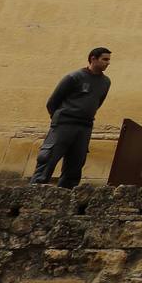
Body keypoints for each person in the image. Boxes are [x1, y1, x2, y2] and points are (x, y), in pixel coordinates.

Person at [30, 47, 112, 188]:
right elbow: (53, 102)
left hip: (85, 126)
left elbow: (97, 102)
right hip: (64, 124)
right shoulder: (74, 77)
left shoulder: (106, 82)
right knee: (48, 159)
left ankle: (65, 197)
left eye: (109, 60)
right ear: (93, 59)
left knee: (76, 163)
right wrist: (61, 117)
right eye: (105, 59)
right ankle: (33, 194)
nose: (108, 63)